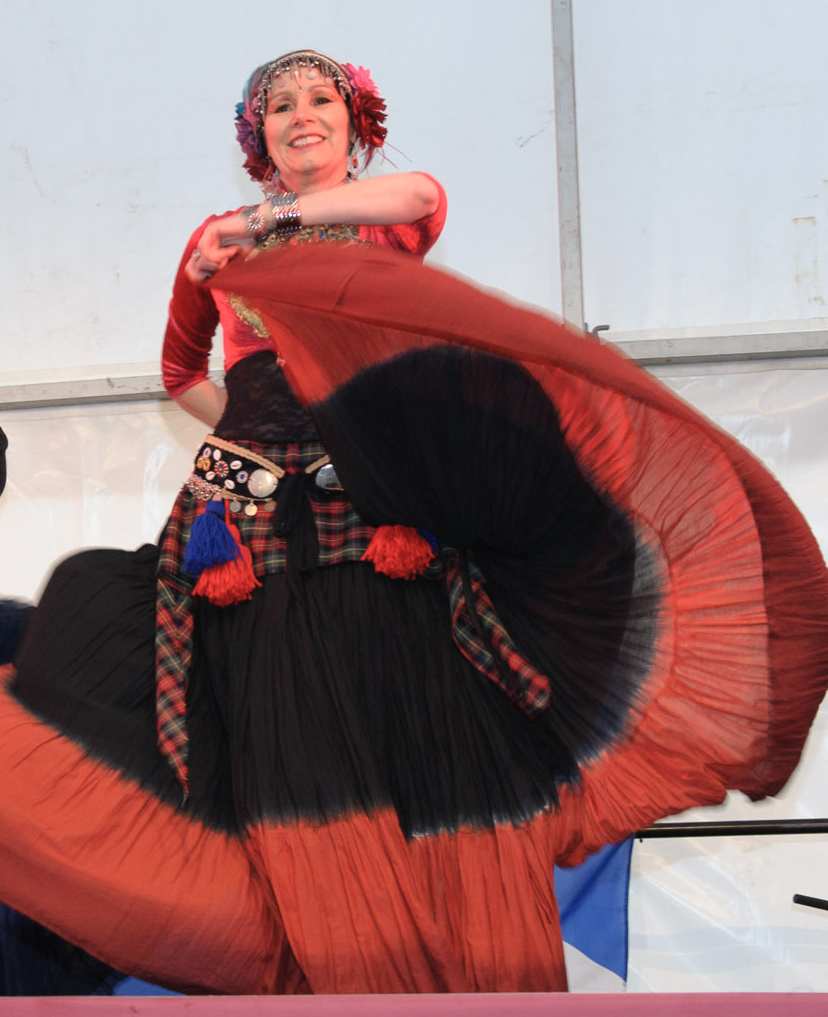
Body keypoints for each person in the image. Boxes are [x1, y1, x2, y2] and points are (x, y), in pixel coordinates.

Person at [0, 48, 826, 997]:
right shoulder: (215, 238)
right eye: (279, 106)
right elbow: (181, 371)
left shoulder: (365, 215)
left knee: (410, 716)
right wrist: (251, 428)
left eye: (320, 99)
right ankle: (331, 946)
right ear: (257, 136)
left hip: (375, 502)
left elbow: (421, 196)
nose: (300, 115)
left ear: (356, 124)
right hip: (254, 525)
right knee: (271, 725)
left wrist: (268, 230)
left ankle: (441, 958)